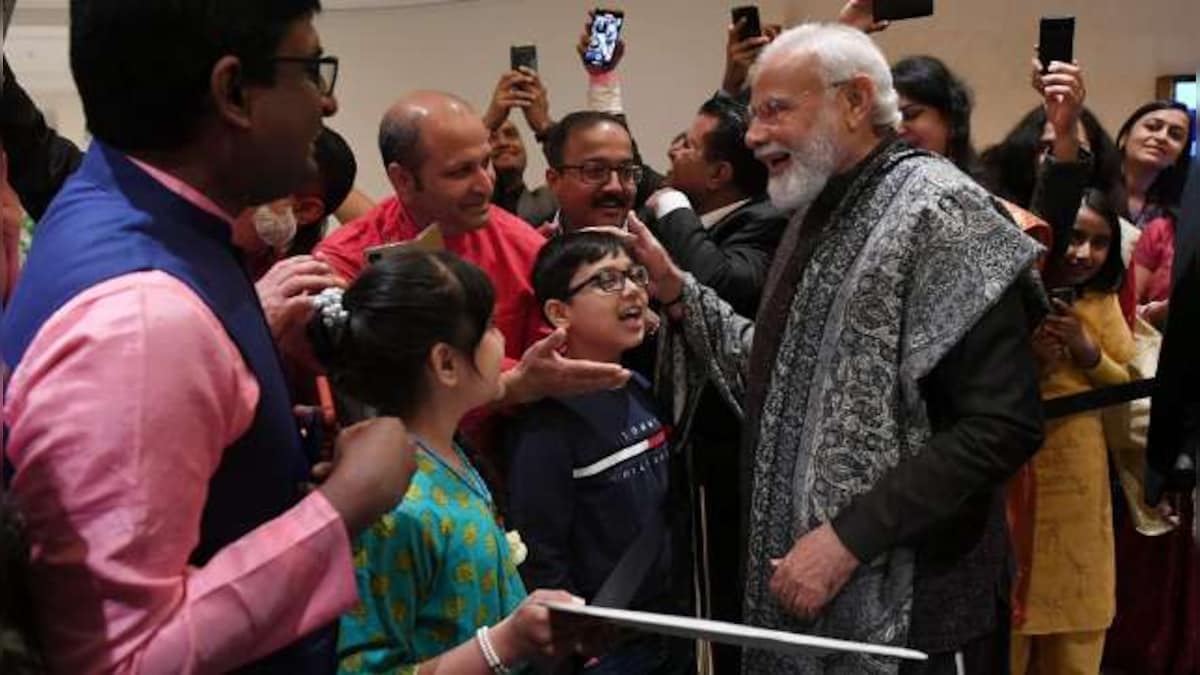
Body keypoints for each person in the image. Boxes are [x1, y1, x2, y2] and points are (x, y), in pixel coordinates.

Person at [0, 2, 416, 672]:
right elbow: (119, 659)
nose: (329, 102)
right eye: (310, 69)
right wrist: (345, 507)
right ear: (232, 92)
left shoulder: (129, 203)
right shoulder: (144, 321)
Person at [622, 24, 1045, 674]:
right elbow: (779, 373)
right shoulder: (815, 210)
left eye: (777, 110)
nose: (754, 134)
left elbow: (1001, 424)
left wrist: (847, 537)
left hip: (918, 617)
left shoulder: (946, 214)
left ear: (854, 103)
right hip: (807, 610)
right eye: (755, 113)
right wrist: (679, 293)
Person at [312, 251, 582, 673]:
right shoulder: (393, 504)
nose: (503, 339)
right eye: (491, 326)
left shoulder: (448, 451)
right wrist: (503, 644)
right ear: (446, 363)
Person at [314, 91, 628, 415]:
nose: (485, 184)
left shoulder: (522, 244)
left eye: (486, 162)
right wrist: (510, 386)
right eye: (461, 171)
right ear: (403, 179)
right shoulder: (342, 265)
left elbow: (561, 359)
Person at [507, 232, 692, 674]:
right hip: (607, 647)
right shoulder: (547, 426)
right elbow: (542, 552)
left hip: (672, 623)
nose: (630, 289)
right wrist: (573, 644)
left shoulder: (642, 386)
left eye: (633, 275)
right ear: (558, 312)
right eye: (606, 280)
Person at [1013, 189, 1134, 674]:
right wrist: (1033, 362)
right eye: (1076, 237)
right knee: (1015, 616)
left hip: (1083, 480)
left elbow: (1127, 384)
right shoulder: (1012, 298)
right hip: (1020, 469)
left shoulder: (1103, 305)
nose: (1084, 253)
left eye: (1100, 242)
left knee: (1078, 624)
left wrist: (1087, 350)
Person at [542, 111, 641, 235]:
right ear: (554, 181)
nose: (615, 187)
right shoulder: (528, 244)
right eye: (596, 171)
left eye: (626, 172)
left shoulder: (664, 244)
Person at [482, 69, 558, 227]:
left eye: (510, 134)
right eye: (492, 138)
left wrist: (544, 127)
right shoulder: (471, 205)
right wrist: (486, 125)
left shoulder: (548, 202)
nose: (503, 143)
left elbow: (576, 171)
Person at [1118, 101, 1194, 228]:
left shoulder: (1183, 208)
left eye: (1175, 135)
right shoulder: (1090, 184)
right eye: (1152, 127)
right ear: (1125, 136)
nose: (1162, 137)